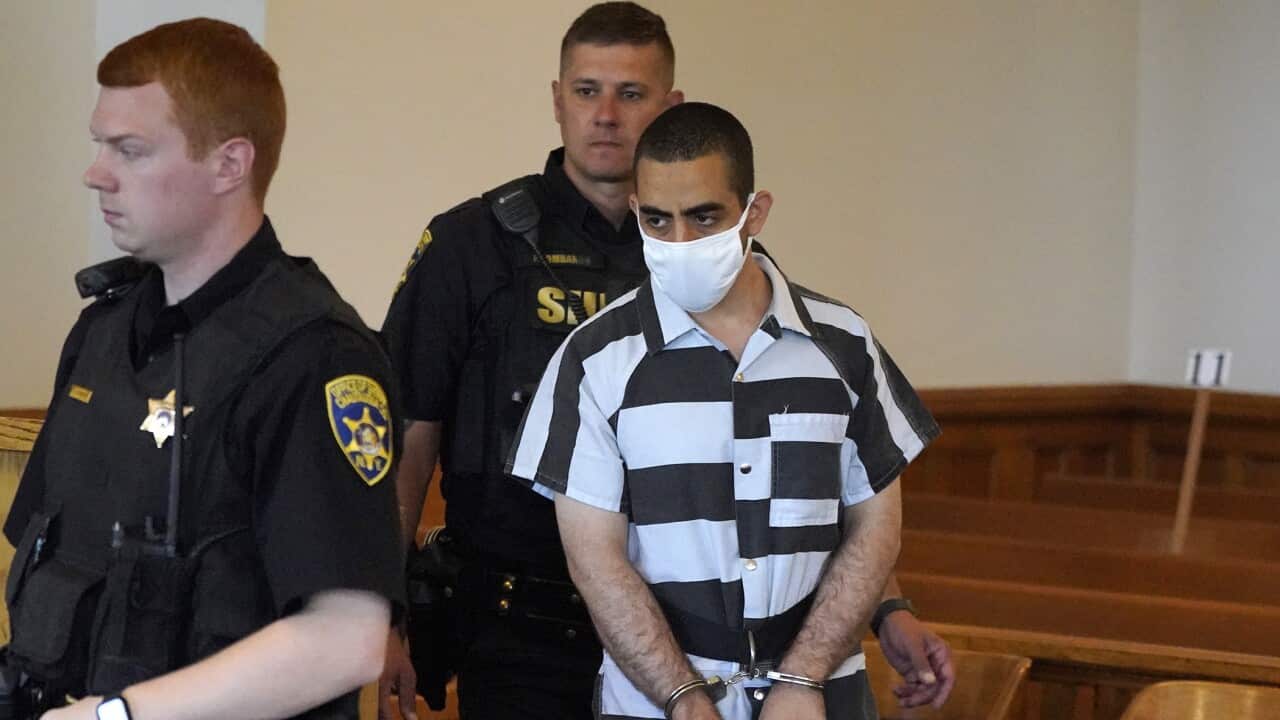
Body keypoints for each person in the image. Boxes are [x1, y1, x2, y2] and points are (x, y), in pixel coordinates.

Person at [380, 4, 951, 719]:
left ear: (670, 106)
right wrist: (384, 613)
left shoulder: (727, 268)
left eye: (631, 93)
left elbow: (800, 463)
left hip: (695, 639)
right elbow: (408, 435)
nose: (607, 116)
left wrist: (887, 606)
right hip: (521, 627)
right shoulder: (474, 246)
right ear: (557, 99)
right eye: (587, 91)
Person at [2, 18, 403, 720]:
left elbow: (348, 639)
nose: (96, 172)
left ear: (229, 164)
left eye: (130, 150)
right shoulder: (105, 329)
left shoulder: (313, 356)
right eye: (100, 144)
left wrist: (116, 717)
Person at [507, 102, 939, 720]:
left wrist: (803, 678)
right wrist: (682, 697)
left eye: (704, 217)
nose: (680, 241)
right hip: (655, 703)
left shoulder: (844, 344)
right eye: (657, 219)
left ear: (753, 213)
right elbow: (595, 560)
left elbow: (875, 528)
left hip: (821, 699)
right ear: (636, 212)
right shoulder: (594, 359)